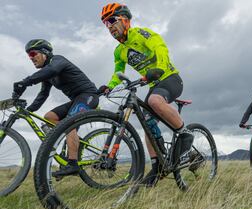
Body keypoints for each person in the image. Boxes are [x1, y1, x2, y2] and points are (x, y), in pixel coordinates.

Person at [98, 3, 194, 187]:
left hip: (169, 78)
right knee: (146, 122)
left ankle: (185, 134)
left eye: (112, 21)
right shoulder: (119, 51)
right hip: (153, 82)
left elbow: (160, 47)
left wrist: (159, 68)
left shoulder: (141, 34)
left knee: (153, 100)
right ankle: (158, 165)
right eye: (105, 24)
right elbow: (117, 72)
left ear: (125, 20)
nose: (109, 26)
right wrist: (109, 87)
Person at [12, 39, 99, 177]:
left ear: (45, 52)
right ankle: (74, 140)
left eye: (33, 53)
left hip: (88, 96)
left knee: (69, 124)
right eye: (29, 55)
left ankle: (73, 164)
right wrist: (29, 110)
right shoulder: (47, 75)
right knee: (49, 117)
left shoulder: (57, 60)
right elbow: (43, 95)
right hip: (76, 99)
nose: (31, 57)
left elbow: (52, 69)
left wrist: (25, 82)